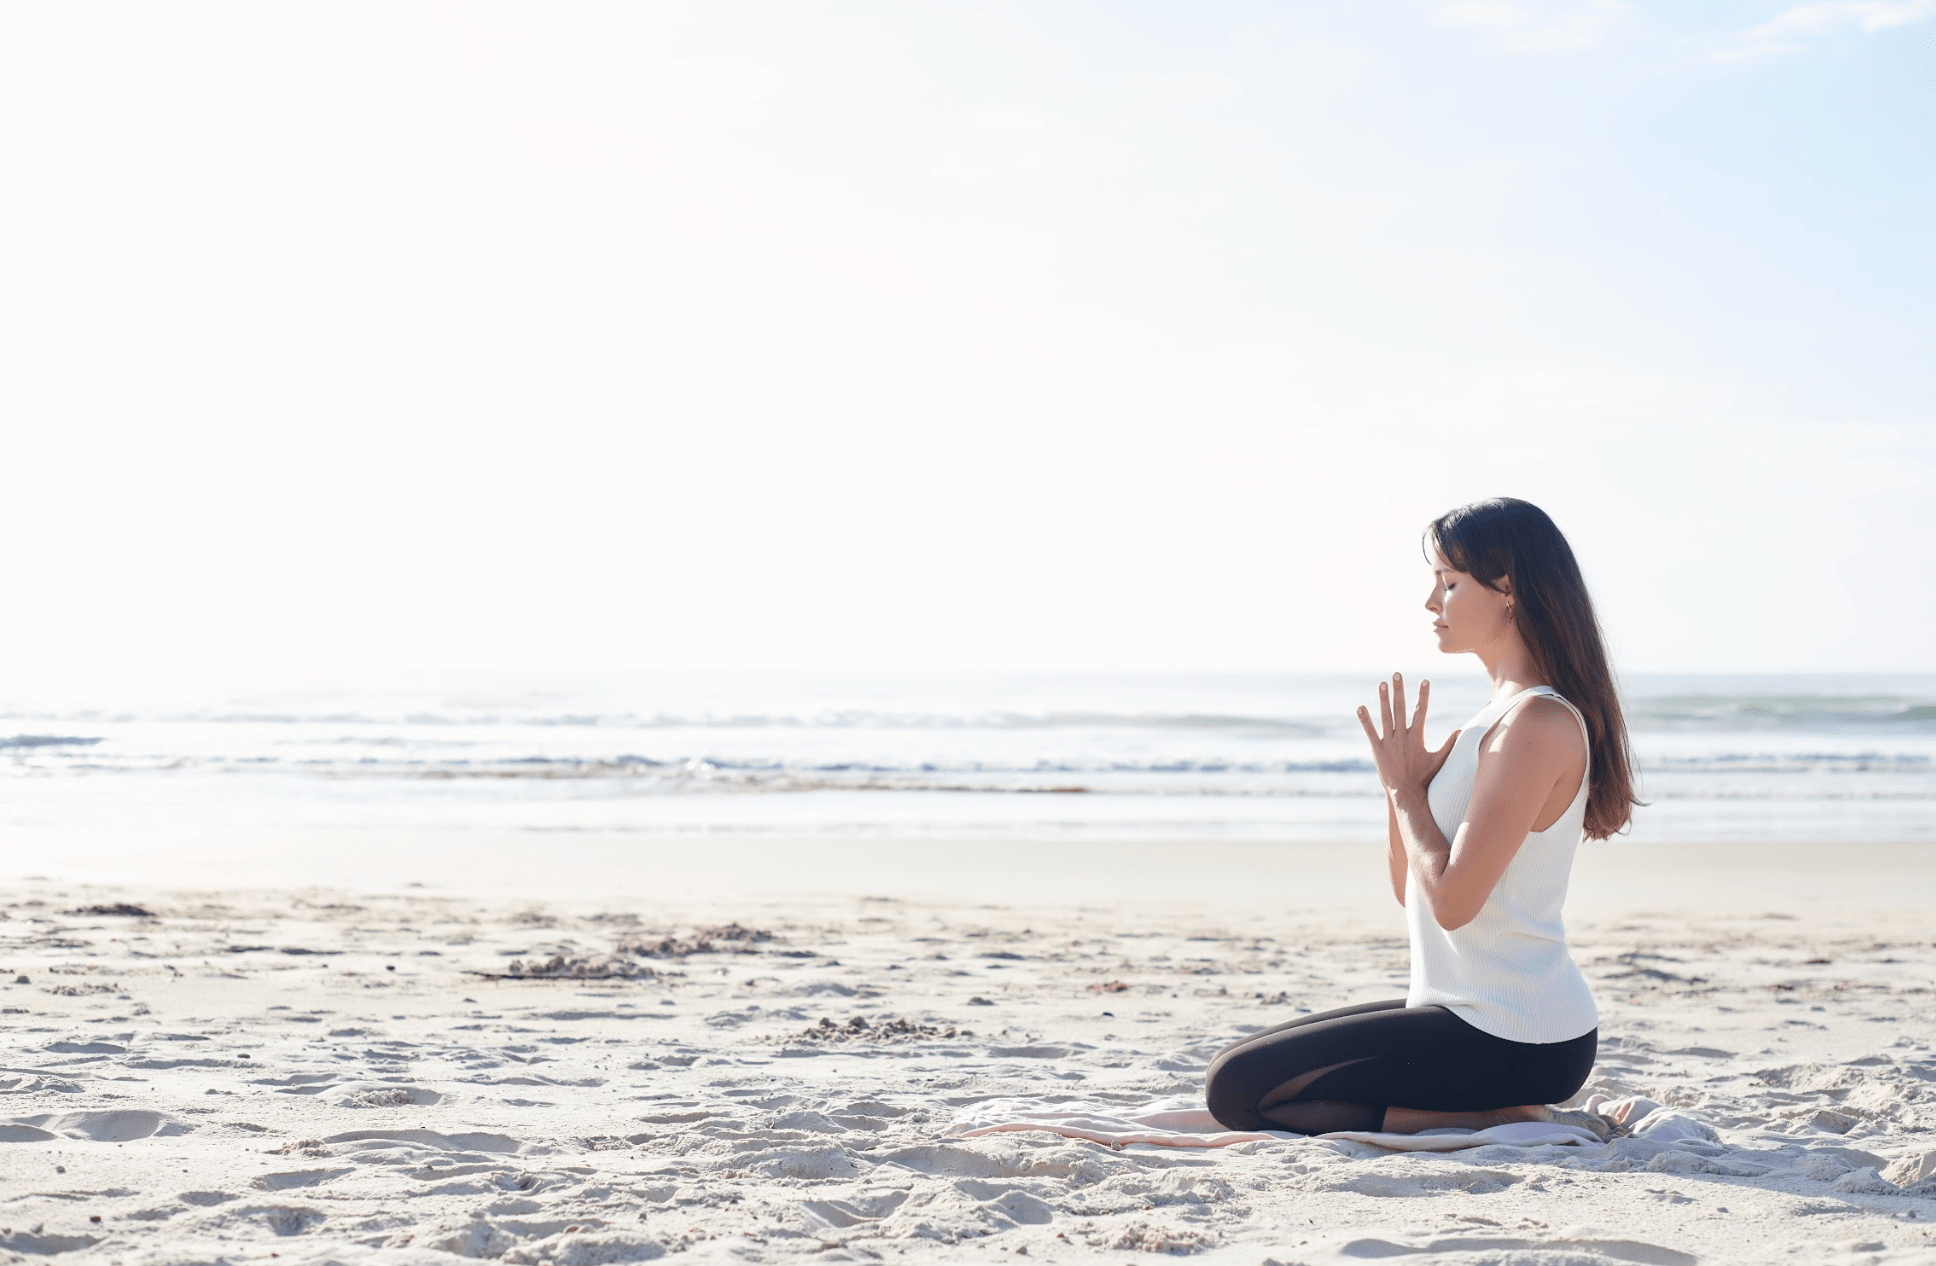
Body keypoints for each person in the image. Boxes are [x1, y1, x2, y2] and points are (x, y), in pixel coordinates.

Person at [1204, 497, 1639, 1139]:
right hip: (1460, 1011)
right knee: (1233, 1068)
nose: (1430, 602)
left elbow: (1454, 903)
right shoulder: (1494, 719)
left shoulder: (1538, 724)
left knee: (1237, 1091)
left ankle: (1497, 1116)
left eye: (1448, 582)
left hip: (1517, 1033)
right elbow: (1411, 890)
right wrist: (1400, 791)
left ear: (1509, 591)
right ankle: (1486, 1113)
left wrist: (1407, 791)